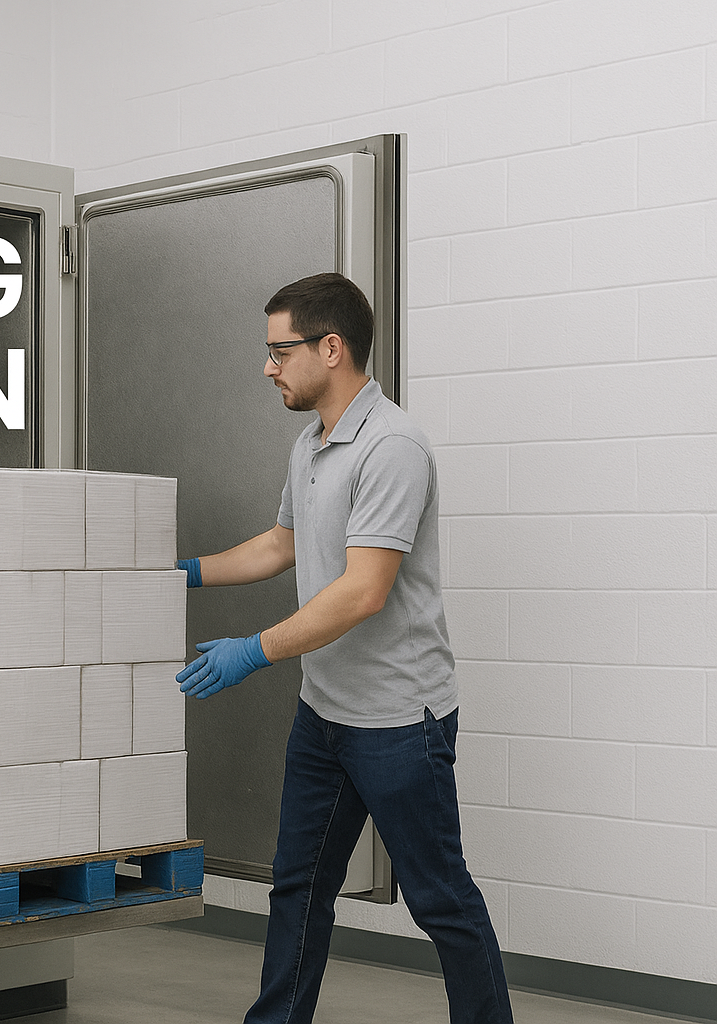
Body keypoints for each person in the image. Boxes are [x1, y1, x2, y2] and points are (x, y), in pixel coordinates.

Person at [175, 272, 513, 1024]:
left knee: (440, 899)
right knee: (298, 889)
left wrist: (253, 650)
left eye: (279, 351)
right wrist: (186, 573)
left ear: (331, 348)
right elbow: (280, 544)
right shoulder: (313, 443)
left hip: (398, 722)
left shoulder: (392, 446)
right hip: (325, 715)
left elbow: (364, 591)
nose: (268, 367)